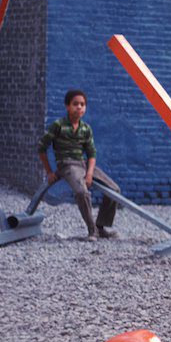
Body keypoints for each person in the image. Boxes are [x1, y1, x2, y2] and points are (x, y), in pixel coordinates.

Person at [38, 89, 121, 241]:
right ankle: (92, 230)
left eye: (82, 104)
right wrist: (49, 172)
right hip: (67, 164)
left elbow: (91, 154)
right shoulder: (58, 125)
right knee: (82, 192)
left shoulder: (85, 128)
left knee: (114, 189)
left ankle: (101, 226)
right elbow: (41, 148)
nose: (79, 107)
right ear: (67, 106)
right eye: (75, 104)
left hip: (83, 164)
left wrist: (89, 173)